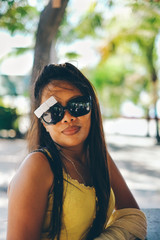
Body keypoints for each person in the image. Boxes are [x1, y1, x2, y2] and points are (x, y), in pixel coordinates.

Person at [7, 63, 147, 240]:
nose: (68, 117)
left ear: (92, 109)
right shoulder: (38, 166)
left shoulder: (98, 156)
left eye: (78, 105)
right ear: (43, 122)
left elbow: (133, 217)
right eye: (53, 111)